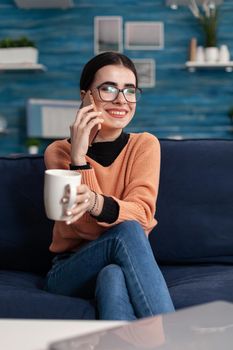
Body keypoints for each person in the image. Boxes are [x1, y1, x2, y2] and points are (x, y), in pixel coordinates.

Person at [44, 51, 174, 320]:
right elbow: (82, 225)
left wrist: (94, 201)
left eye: (130, 91)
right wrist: (79, 158)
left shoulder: (145, 145)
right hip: (70, 270)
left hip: (120, 264)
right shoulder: (59, 152)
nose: (121, 100)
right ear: (85, 96)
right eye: (108, 89)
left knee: (113, 275)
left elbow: (143, 214)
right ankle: (177, 337)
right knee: (126, 230)